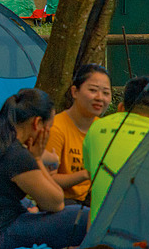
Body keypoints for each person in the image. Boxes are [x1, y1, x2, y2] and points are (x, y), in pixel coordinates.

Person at [0, 88, 88, 249]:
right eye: (48, 128)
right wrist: (36, 158)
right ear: (37, 123)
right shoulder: (16, 155)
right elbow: (55, 203)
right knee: (82, 216)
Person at [82, 76, 149, 221]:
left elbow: (92, 176)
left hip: (100, 237)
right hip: (148, 237)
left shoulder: (97, 128)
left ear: (121, 108)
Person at [46, 63, 111, 204]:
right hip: (62, 202)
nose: (100, 98)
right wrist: (85, 174)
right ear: (75, 92)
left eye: (106, 93)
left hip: (94, 199)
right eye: (93, 90)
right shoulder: (56, 128)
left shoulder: (104, 128)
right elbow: (48, 179)